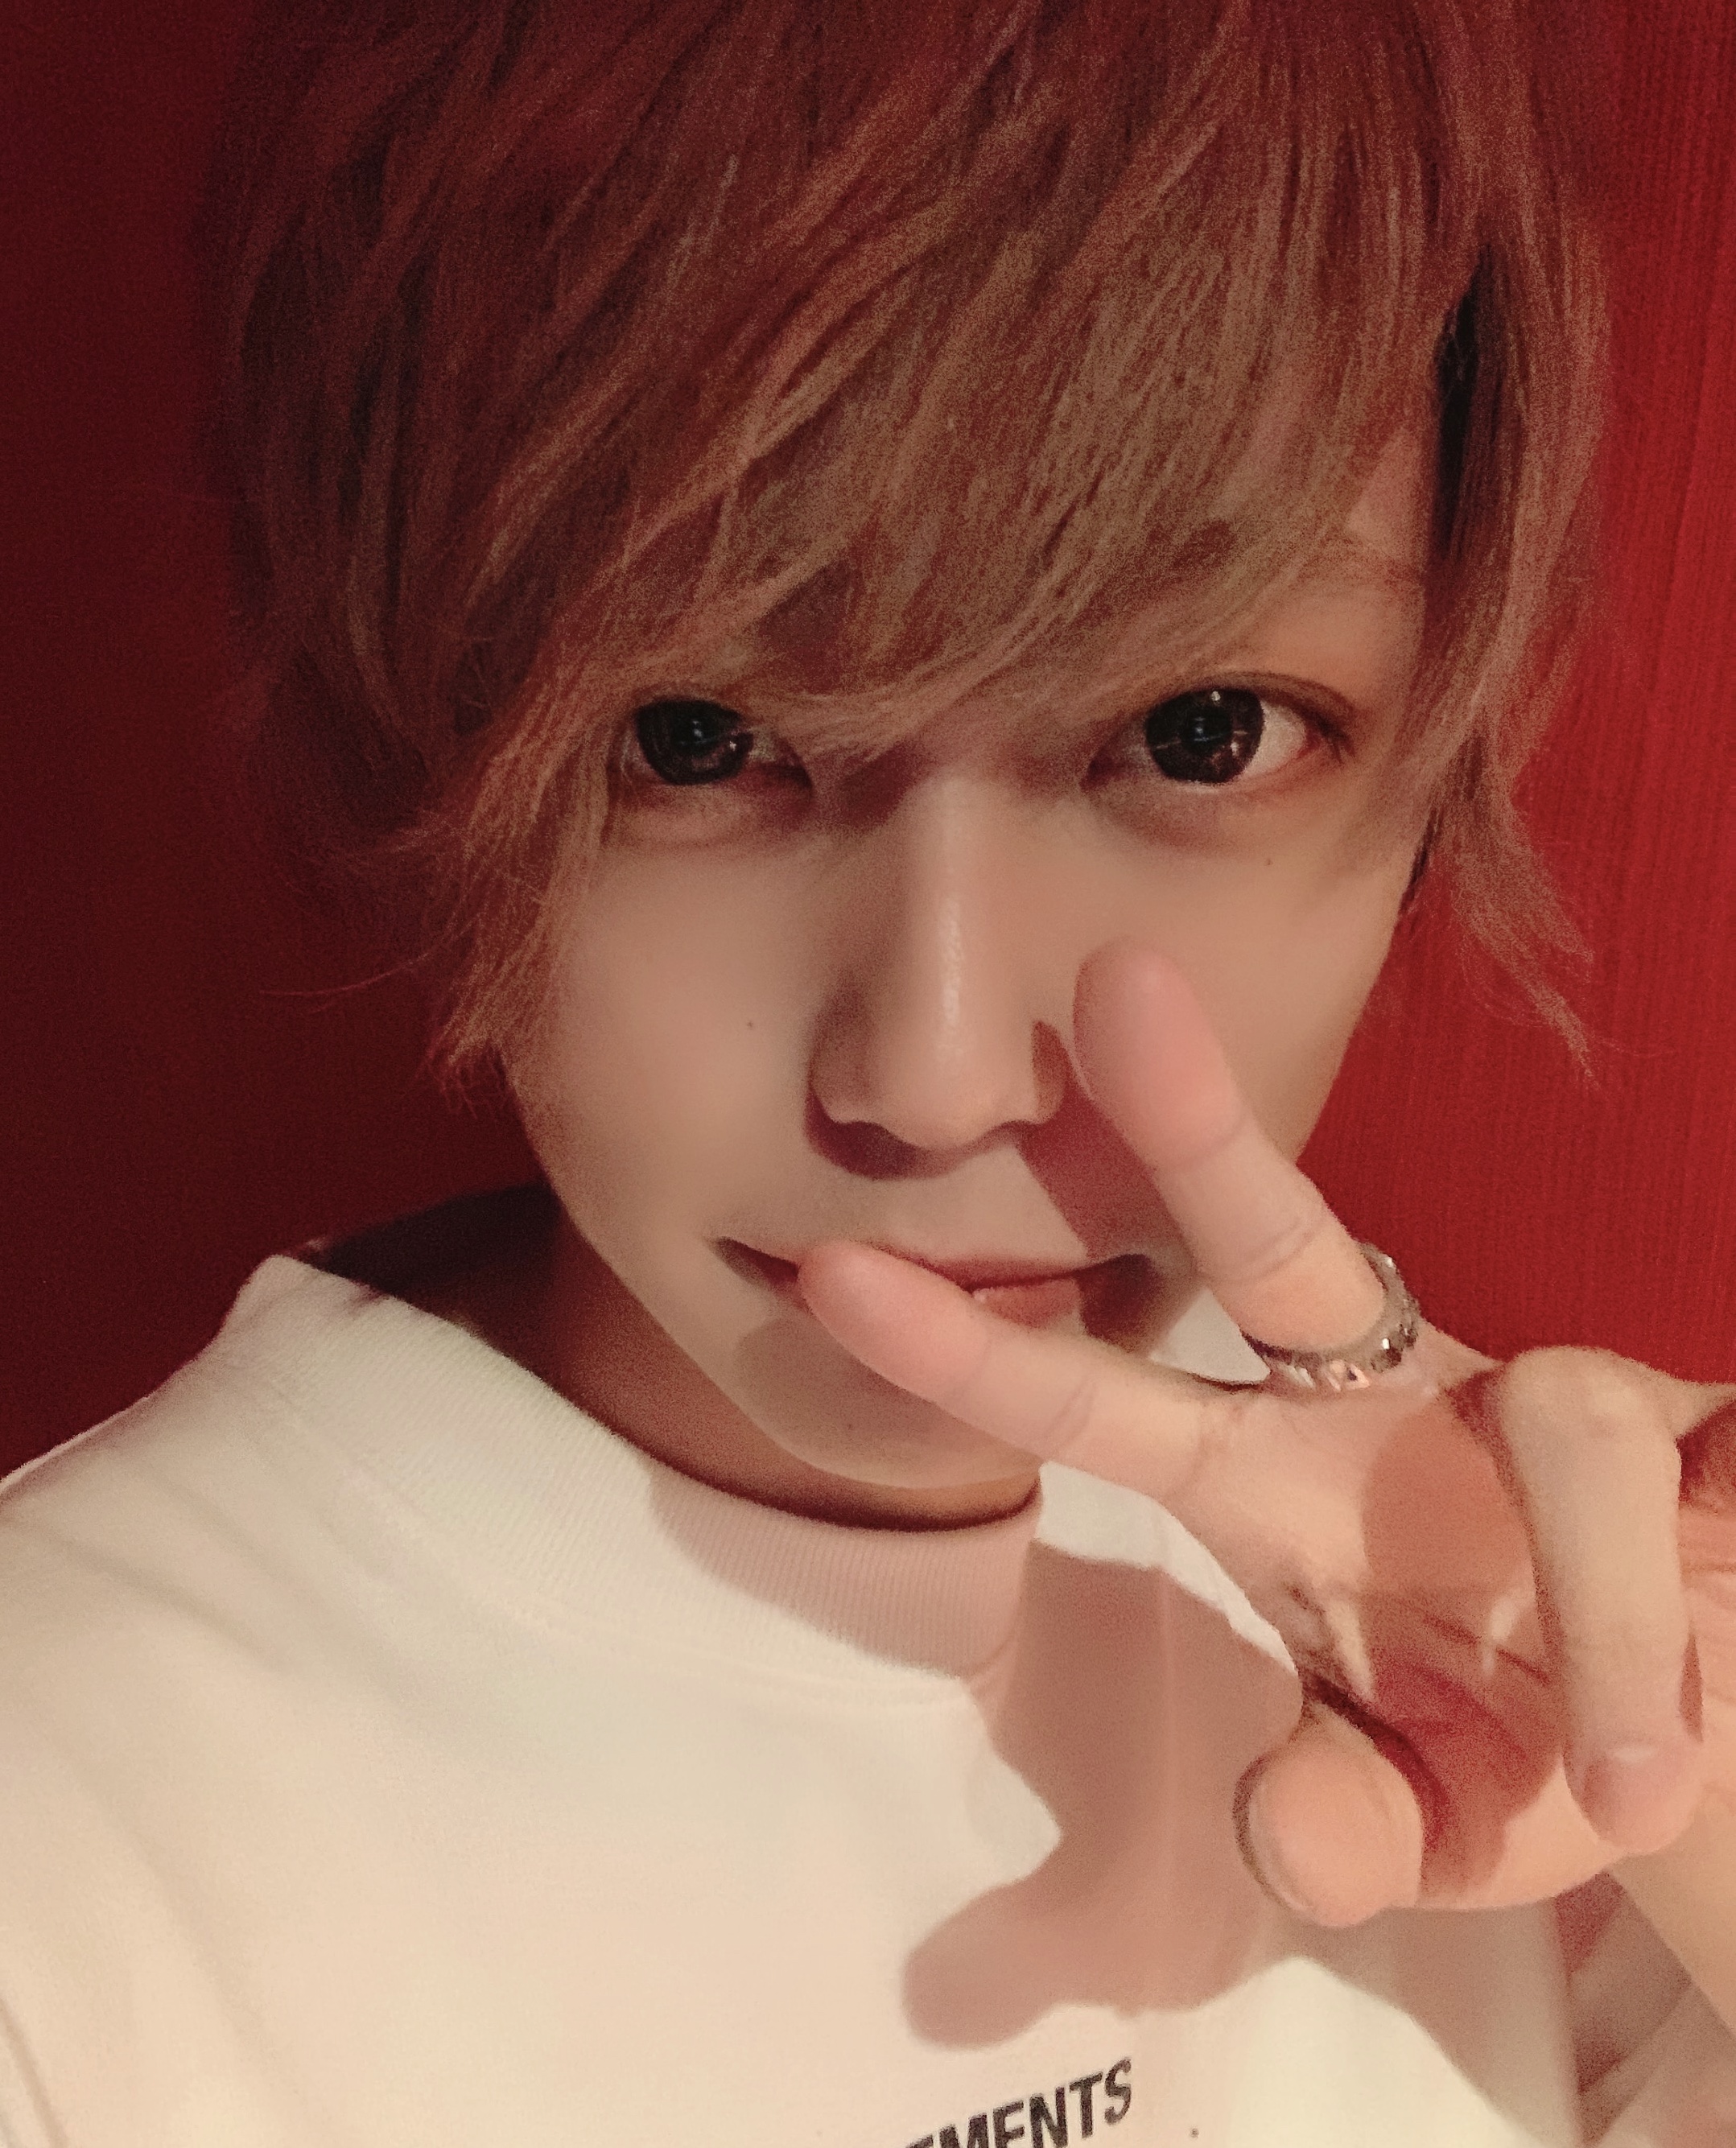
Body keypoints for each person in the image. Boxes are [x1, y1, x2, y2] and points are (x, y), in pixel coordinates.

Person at [1, 1, 1732, 2142]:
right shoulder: (69, 1867)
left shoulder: (1526, 1669)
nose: (937, 1079)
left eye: (1196, 733)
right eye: (699, 740)